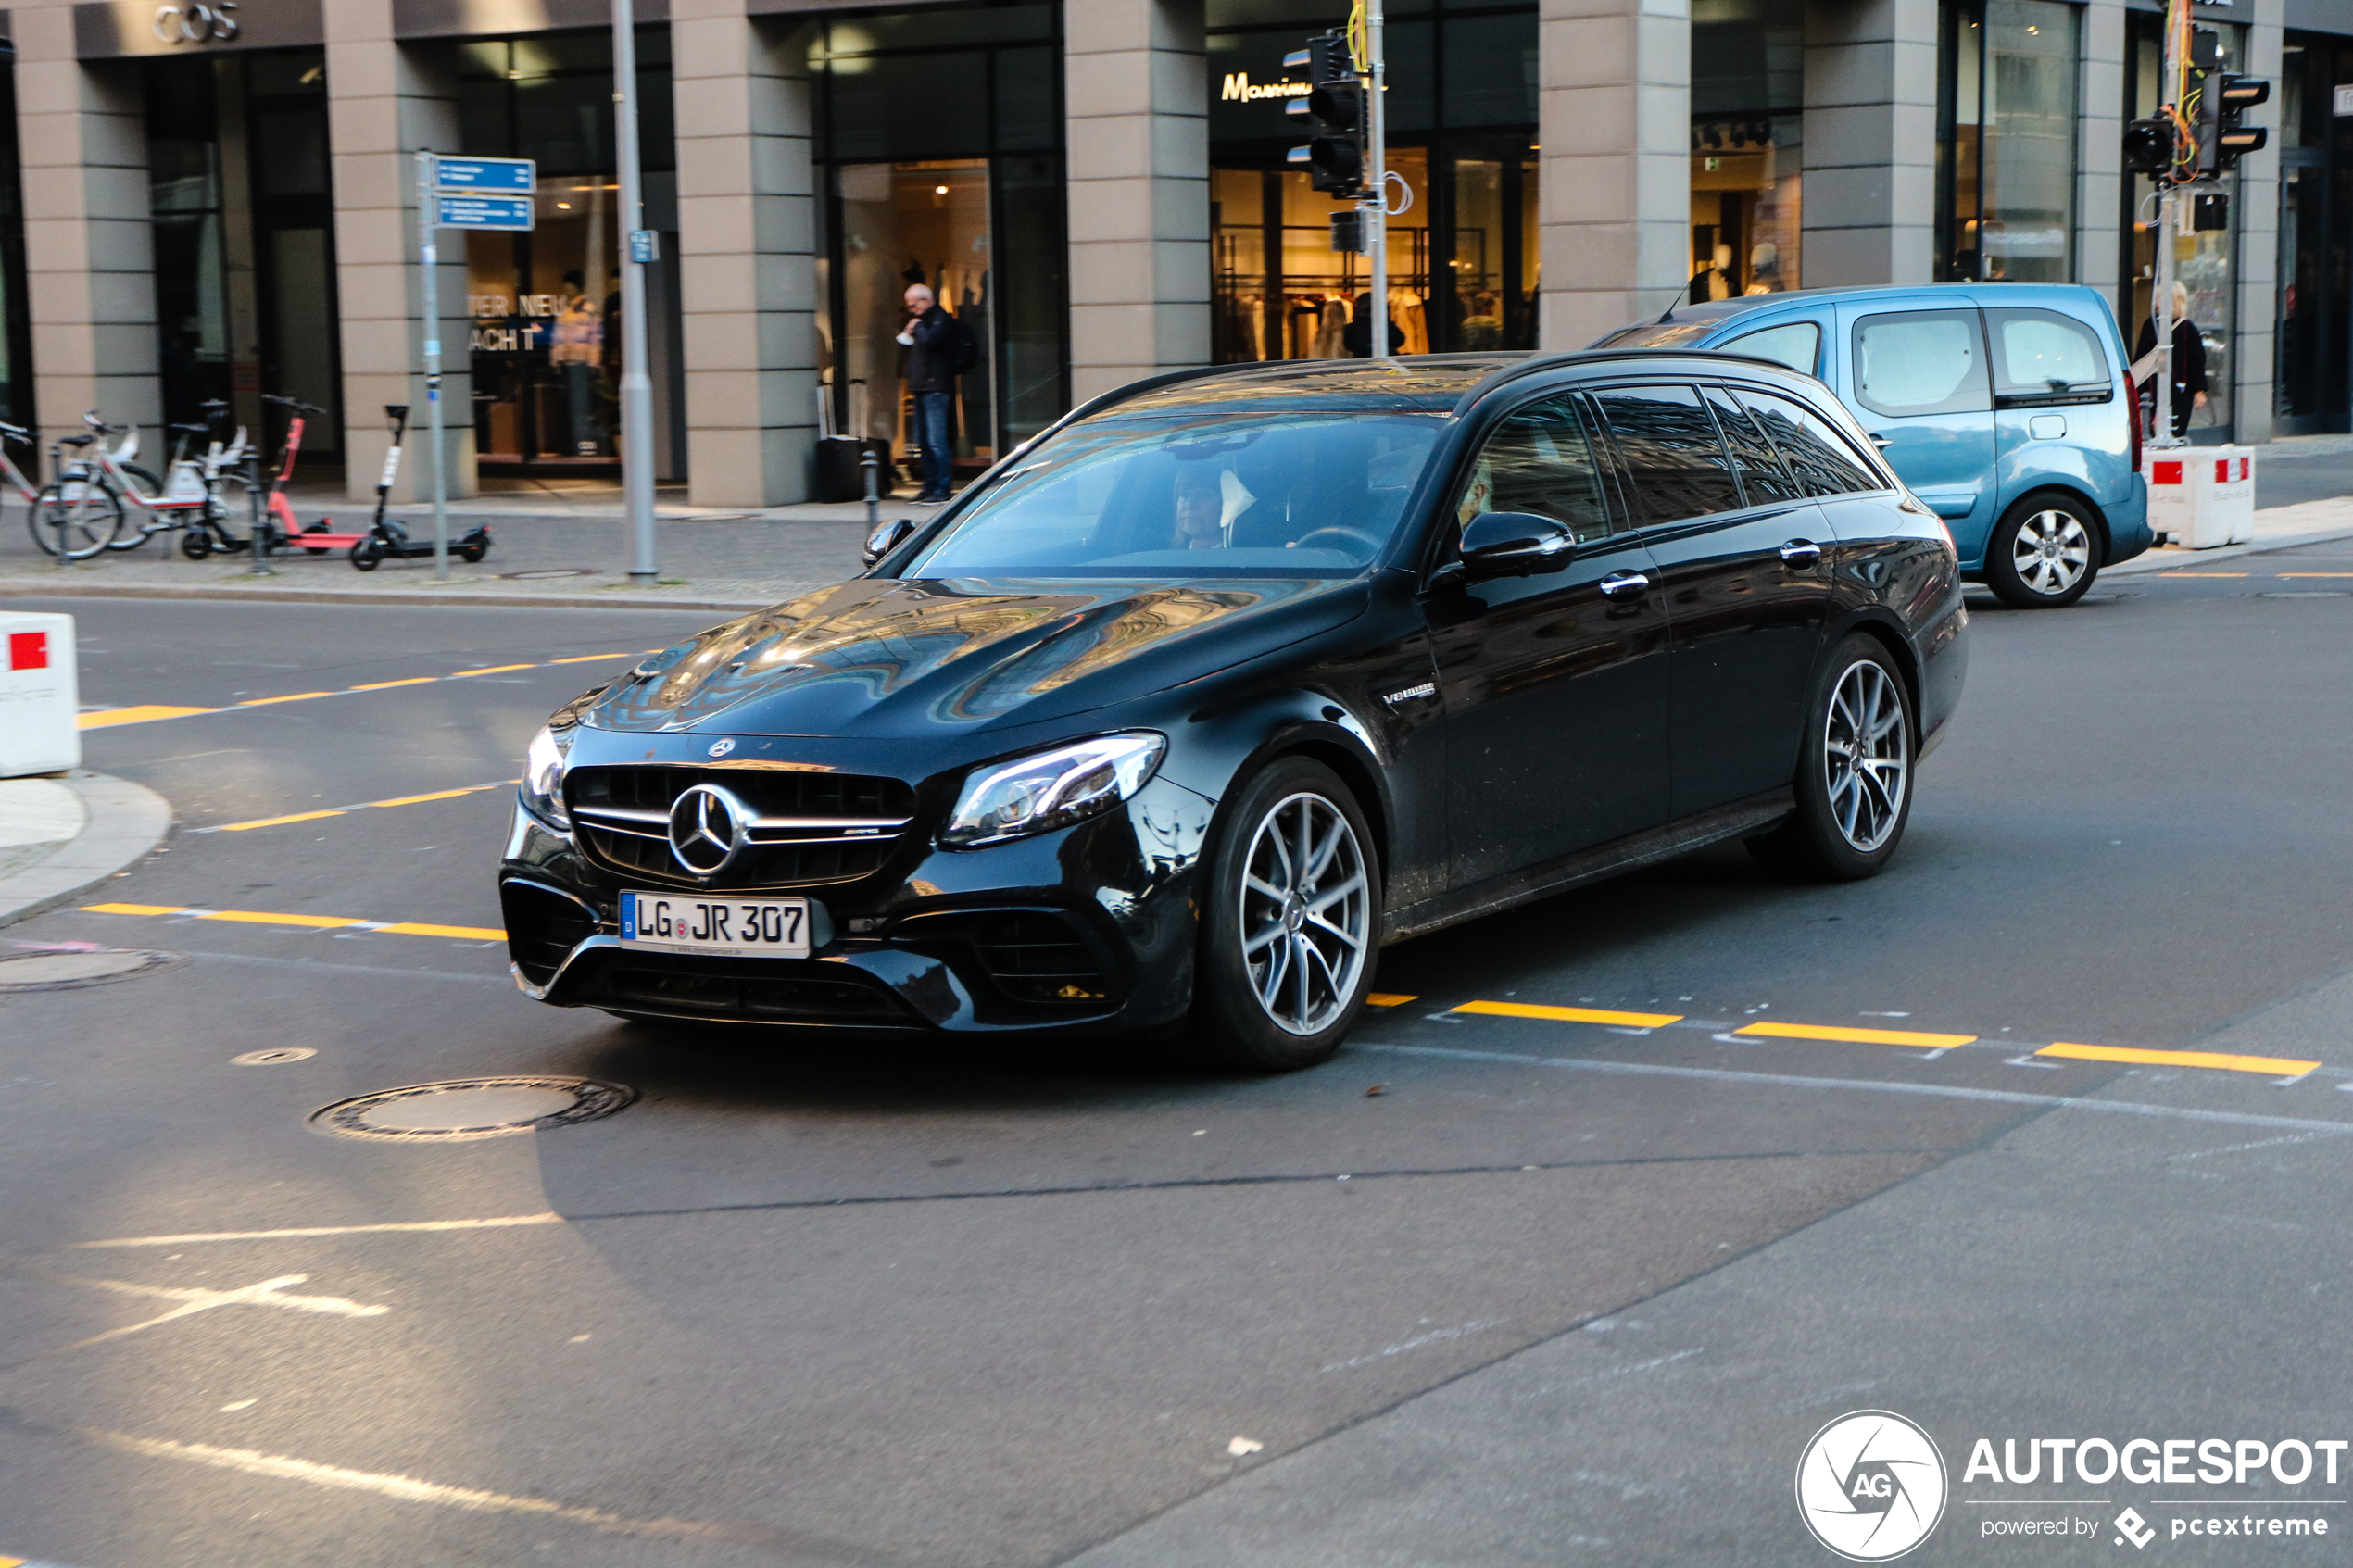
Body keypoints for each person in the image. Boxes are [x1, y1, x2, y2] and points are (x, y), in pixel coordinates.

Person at [899, 282, 959, 502]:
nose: (911, 310)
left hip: (935, 388)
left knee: (936, 441)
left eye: (913, 305)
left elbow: (930, 340)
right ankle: (929, 486)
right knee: (923, 441)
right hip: (921, 387)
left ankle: (943, 488)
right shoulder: (924, 321)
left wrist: (918, 326)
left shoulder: (941, 319)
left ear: (925, 301)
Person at [2134, 281, 2208, 439]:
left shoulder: (2188, 329)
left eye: (2159, 299)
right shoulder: (2151, 324)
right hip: (2150, 390)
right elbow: (2141, 356)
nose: (2155, 303)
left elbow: (2197, 362)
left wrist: (2199, 391)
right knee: (2148, 432)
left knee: (2174, 432)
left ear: (2172, 301)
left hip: (2178, 393)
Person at [1172, 468, 1226, 550]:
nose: (1190, 504)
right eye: (1185, 495)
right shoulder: (1163, 557)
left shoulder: (1243, 558)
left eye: (1203, 495)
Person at [1341, 292, 1405, 357]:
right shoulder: (1384, 324)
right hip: (1384, 360)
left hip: (1361, 362)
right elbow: (1399, 340)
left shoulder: (1353, 327)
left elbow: (1348, 345)